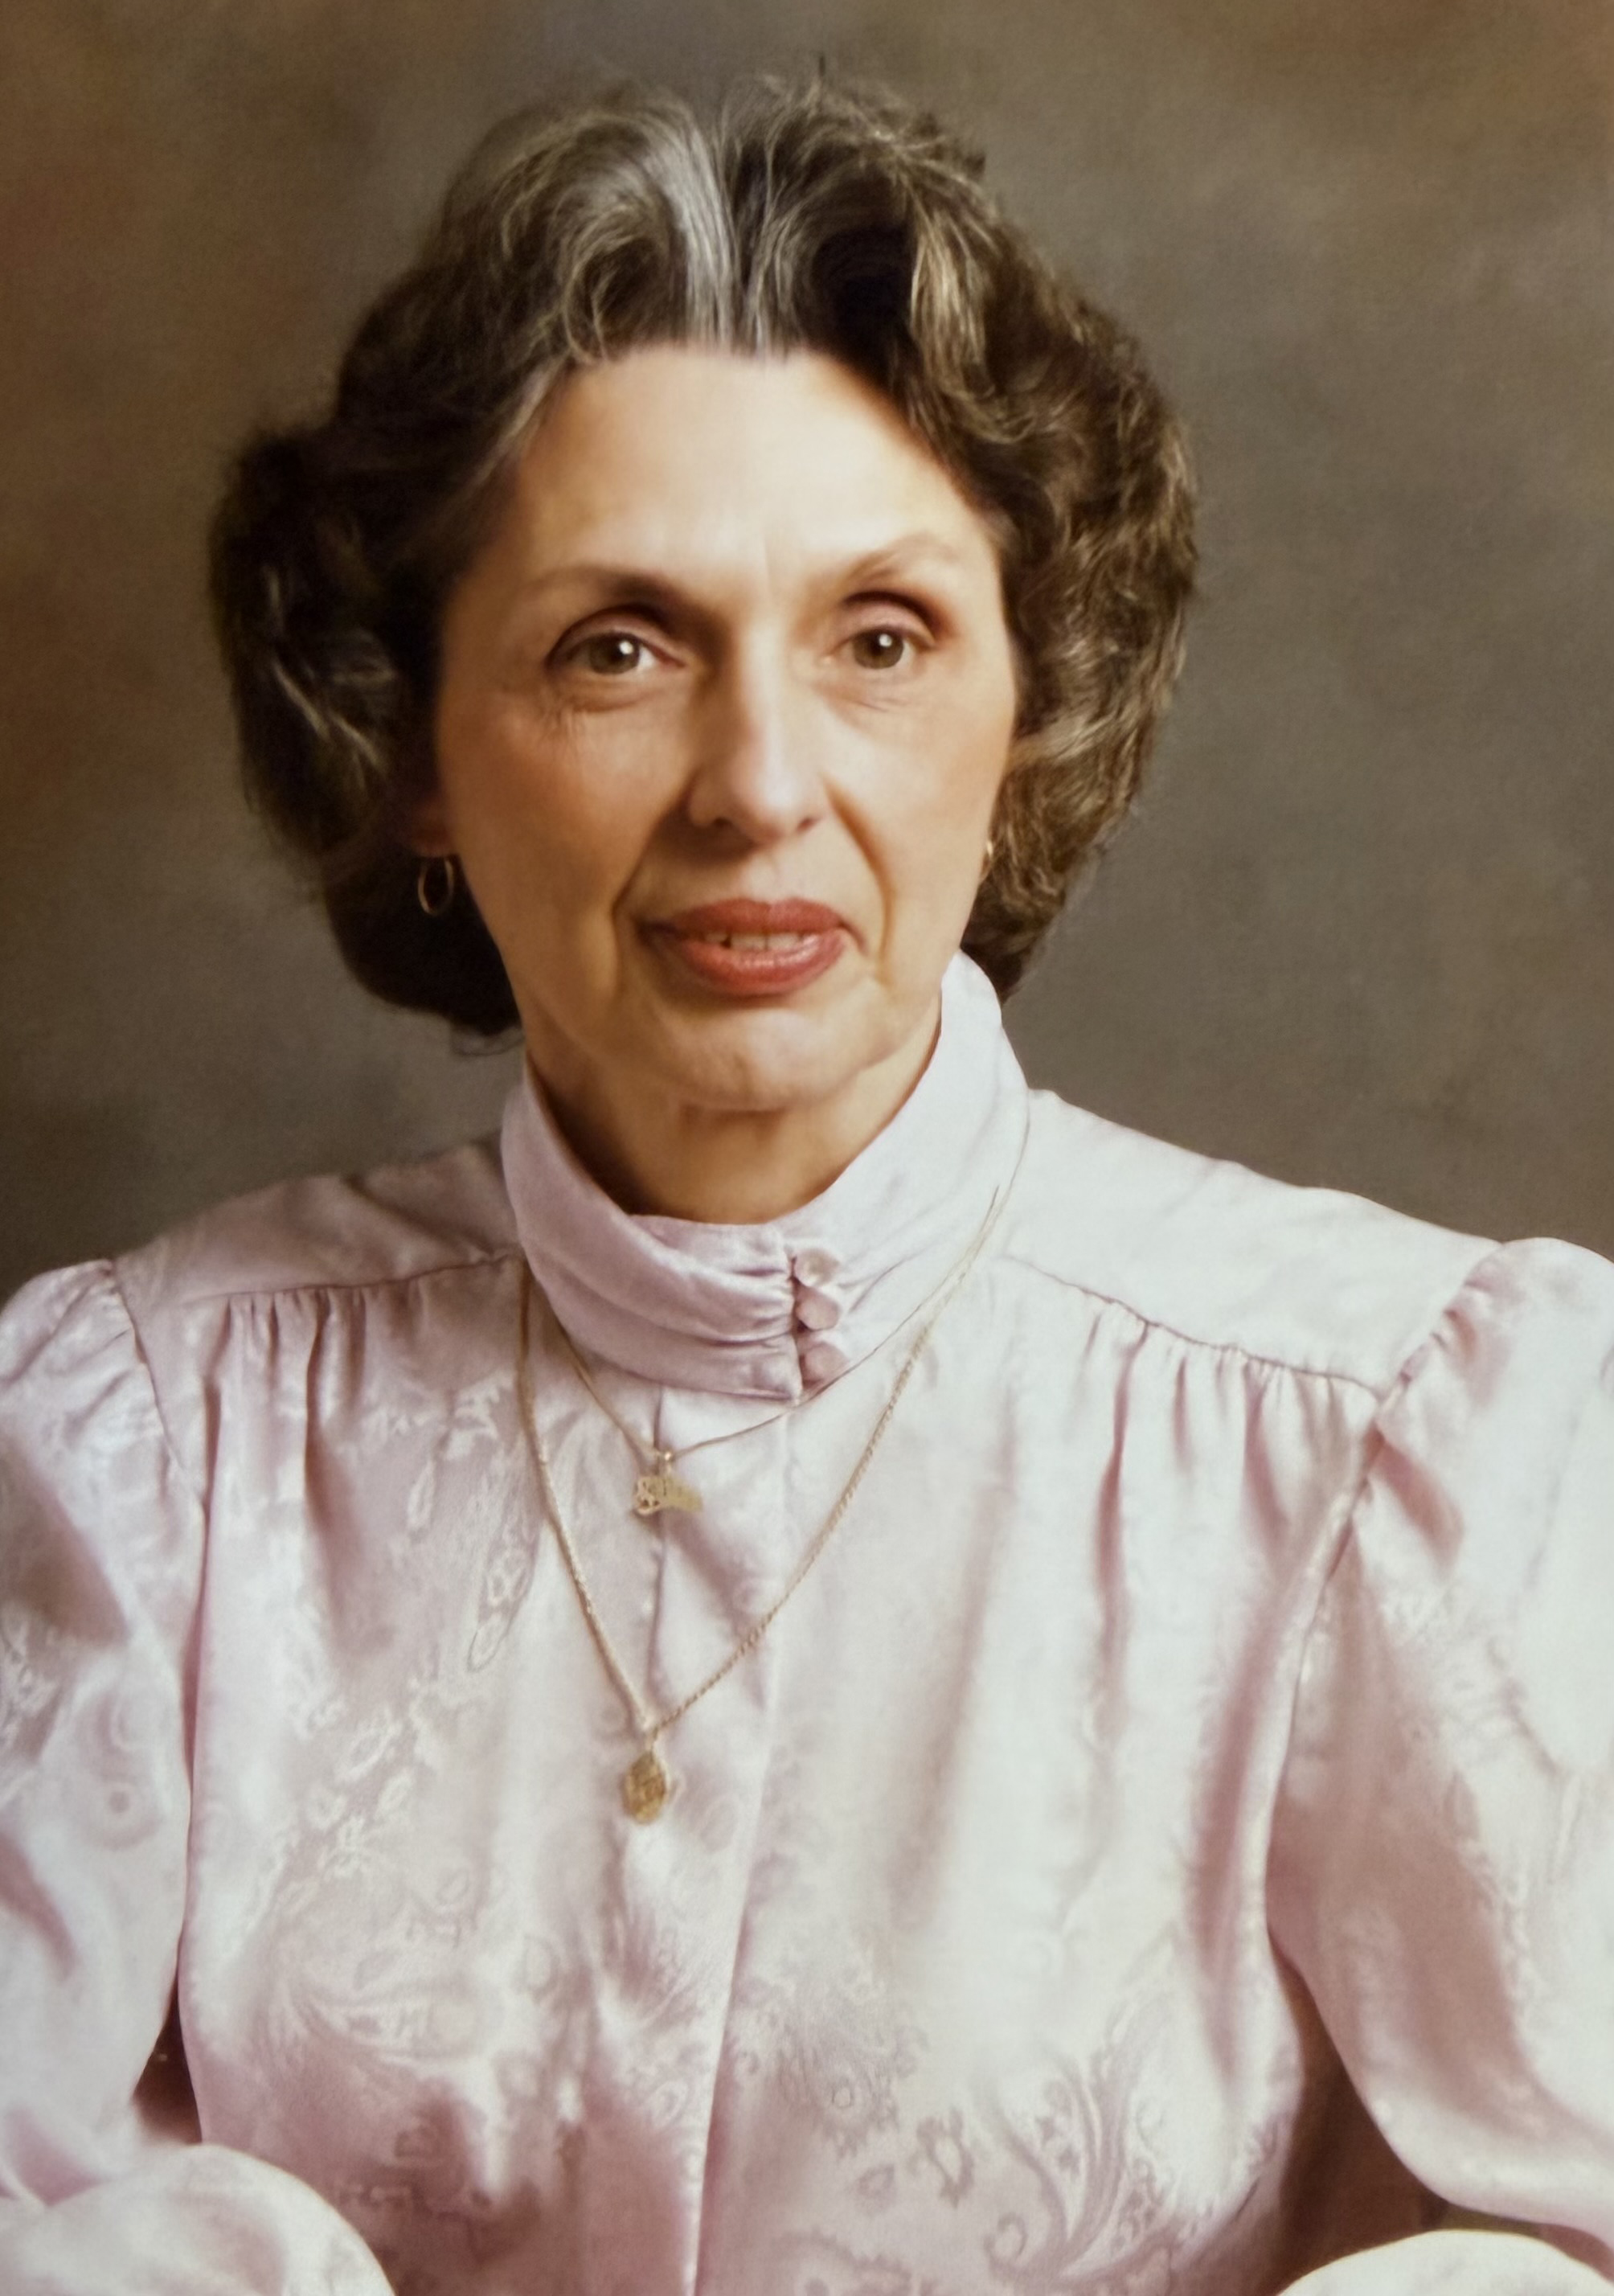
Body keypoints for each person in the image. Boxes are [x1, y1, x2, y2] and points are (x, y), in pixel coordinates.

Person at [1, 74, 1611, 2296]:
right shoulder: (145, 1447)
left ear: (1027, 714)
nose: (760, 786)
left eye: (881, 639)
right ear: (417, 749)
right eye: (619, 648)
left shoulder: (1388, 1437)